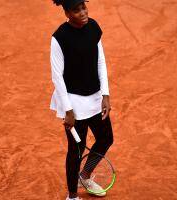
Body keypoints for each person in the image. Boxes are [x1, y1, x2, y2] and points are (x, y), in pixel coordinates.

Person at [49, 0, 114, 199]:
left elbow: (100, 61)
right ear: (67, 13)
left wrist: (105, 94)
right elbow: (57, 76)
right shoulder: (59, 38)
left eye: (84, 8)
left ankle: (85, 176)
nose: (83, 13)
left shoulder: (93, 27)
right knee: (76, 150)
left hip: (94, 97)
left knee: (105, 139)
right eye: (76, 10)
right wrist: (67, 110)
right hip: (74, 102)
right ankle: (72, 196)